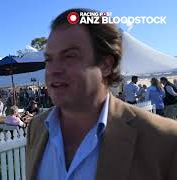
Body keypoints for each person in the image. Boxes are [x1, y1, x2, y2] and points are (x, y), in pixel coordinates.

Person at [26, 8, 177, 180]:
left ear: (105, 64)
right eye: (48, 59)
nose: (53, 70)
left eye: (69, 56)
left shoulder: (165, 140)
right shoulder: (36, 128)